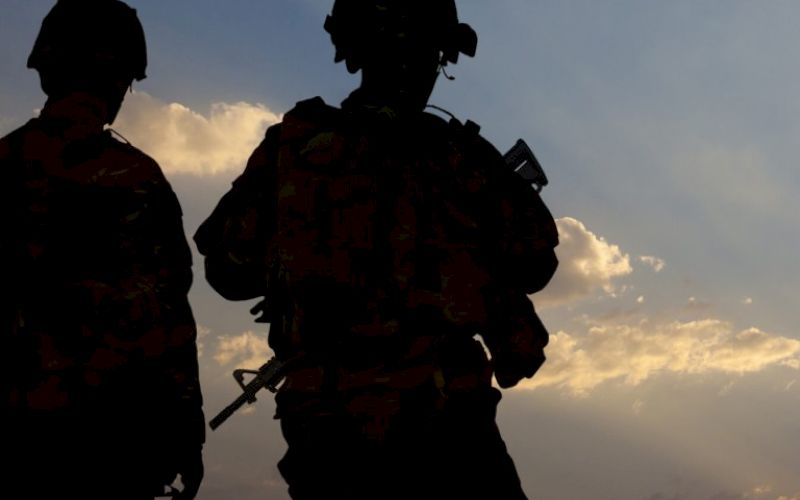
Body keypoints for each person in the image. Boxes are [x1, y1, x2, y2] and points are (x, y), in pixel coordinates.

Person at [194, 0, 557, 498]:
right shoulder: (459, 157)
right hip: (448, 429)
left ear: (355, 51)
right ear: (435, 56)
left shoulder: (292, 148)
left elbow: (226, 274)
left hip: (330, 433)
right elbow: (537, 262)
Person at [0, 1, 203, 498]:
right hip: (110, 446)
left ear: (46, 69)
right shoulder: (139, 181)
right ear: (120, 80)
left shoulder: (4, 165)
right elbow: (168, 318)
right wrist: (186, 433)